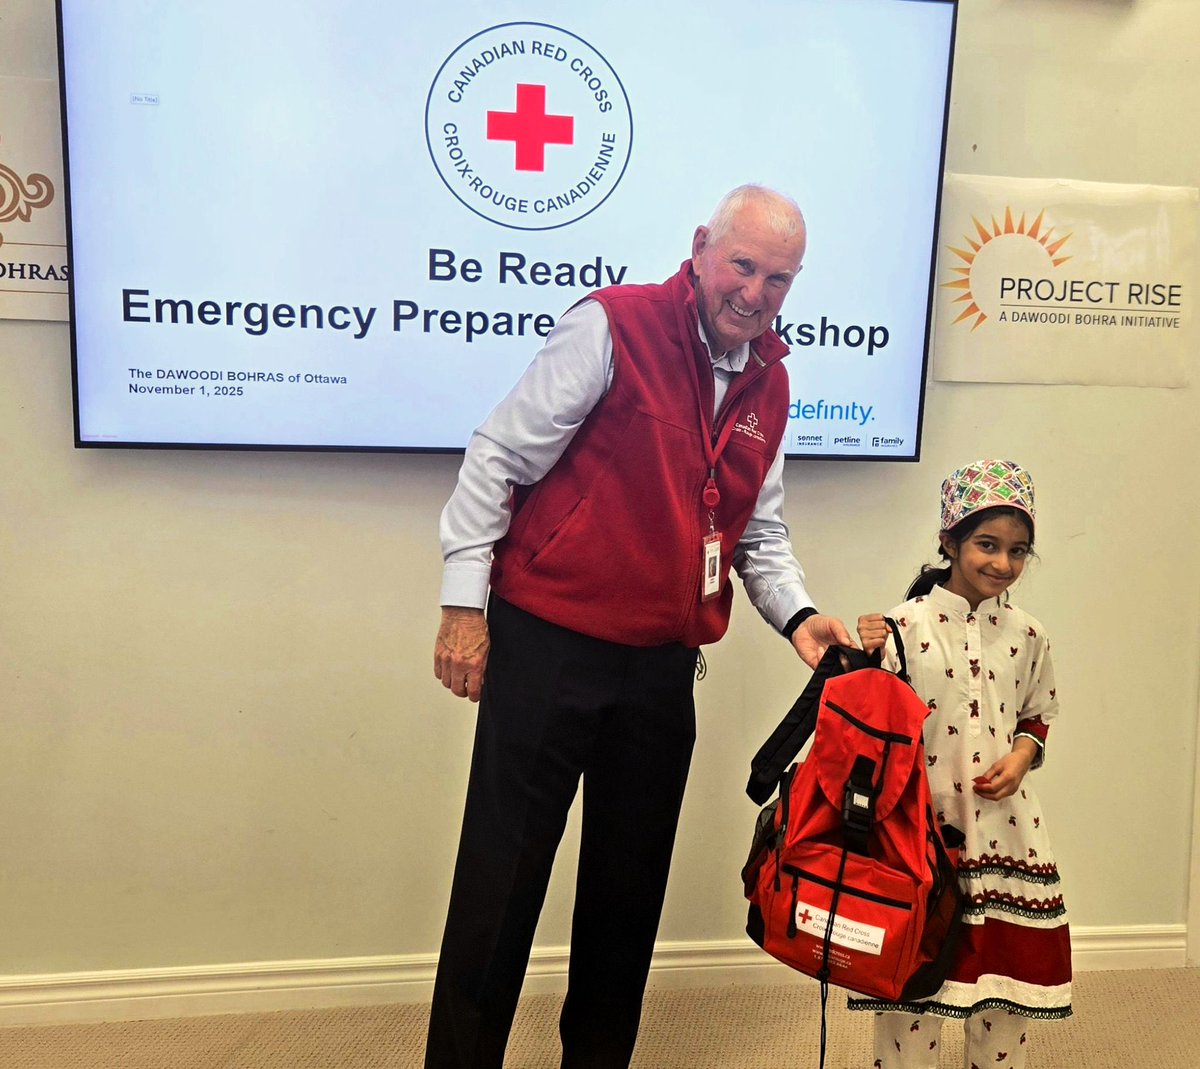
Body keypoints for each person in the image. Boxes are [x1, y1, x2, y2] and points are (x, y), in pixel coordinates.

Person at [428, 184, 853, 1069]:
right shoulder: (611, 325)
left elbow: (756, 532)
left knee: (627, 900)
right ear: (700, 248)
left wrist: (802, 620)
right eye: (743, 265)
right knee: (499, 888)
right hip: (550, 646)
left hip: (660, 670)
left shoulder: (771, 381)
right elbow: (498, 455)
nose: (756, 293)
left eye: (779, 278)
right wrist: (464, 606)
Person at [853, 459, 1071, 1069]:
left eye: (1019, 550)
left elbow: (1037, 714)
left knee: (1001, 995)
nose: (1003, 563)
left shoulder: (1031, 635)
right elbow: (870, 724)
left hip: (1005, 832)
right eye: (987, 544)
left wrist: (1024, 756)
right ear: (948, 540)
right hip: (917, 832)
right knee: (912, 987)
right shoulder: (901, 625)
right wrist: (867, 654)